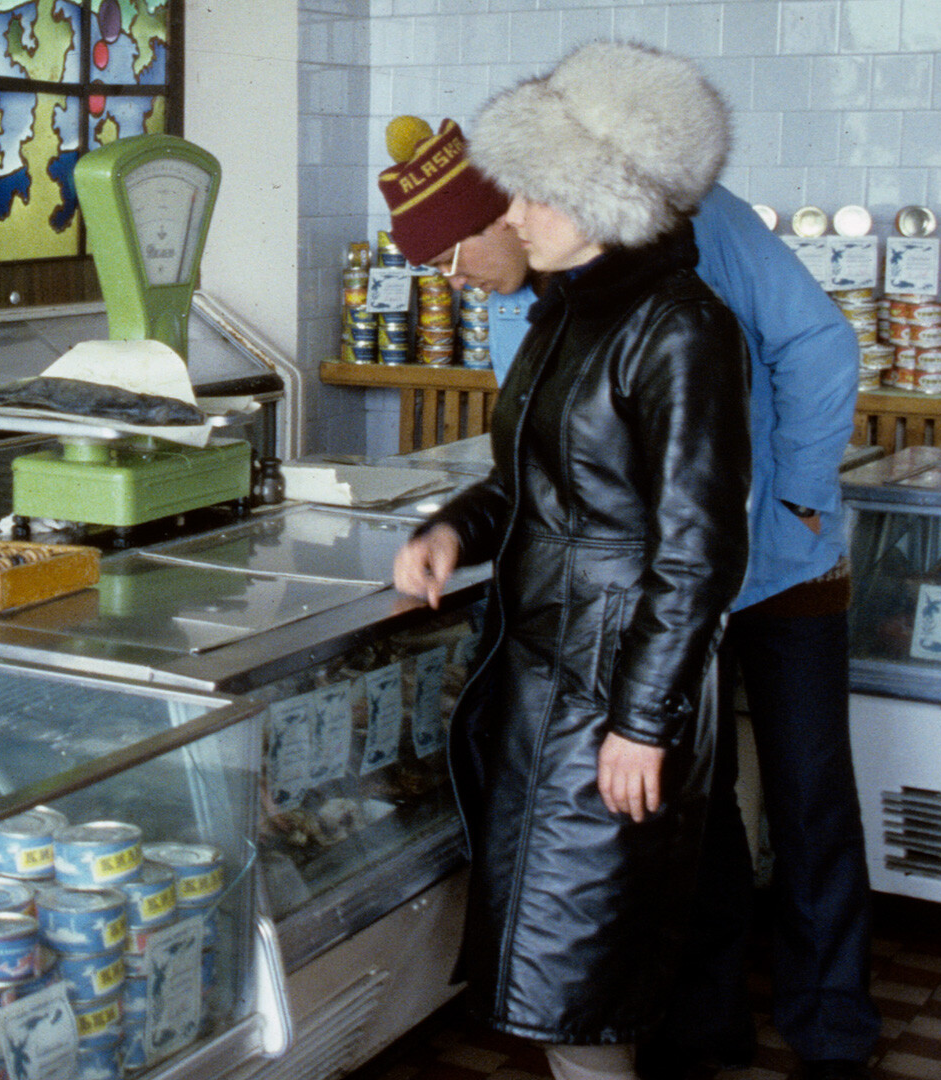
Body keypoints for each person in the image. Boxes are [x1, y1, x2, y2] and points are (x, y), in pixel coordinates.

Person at [376, 70, 877, 1080]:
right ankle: (705, 1024)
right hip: (646, 612)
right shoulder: (551, 300)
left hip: (777, 559)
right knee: (697, 821)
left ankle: (832, 1030)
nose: (457, 278)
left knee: (806, 793)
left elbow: (817, 348)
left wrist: (788, 503)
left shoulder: (687, 265)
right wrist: (458, 525)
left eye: (458, 253)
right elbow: (548, 462)